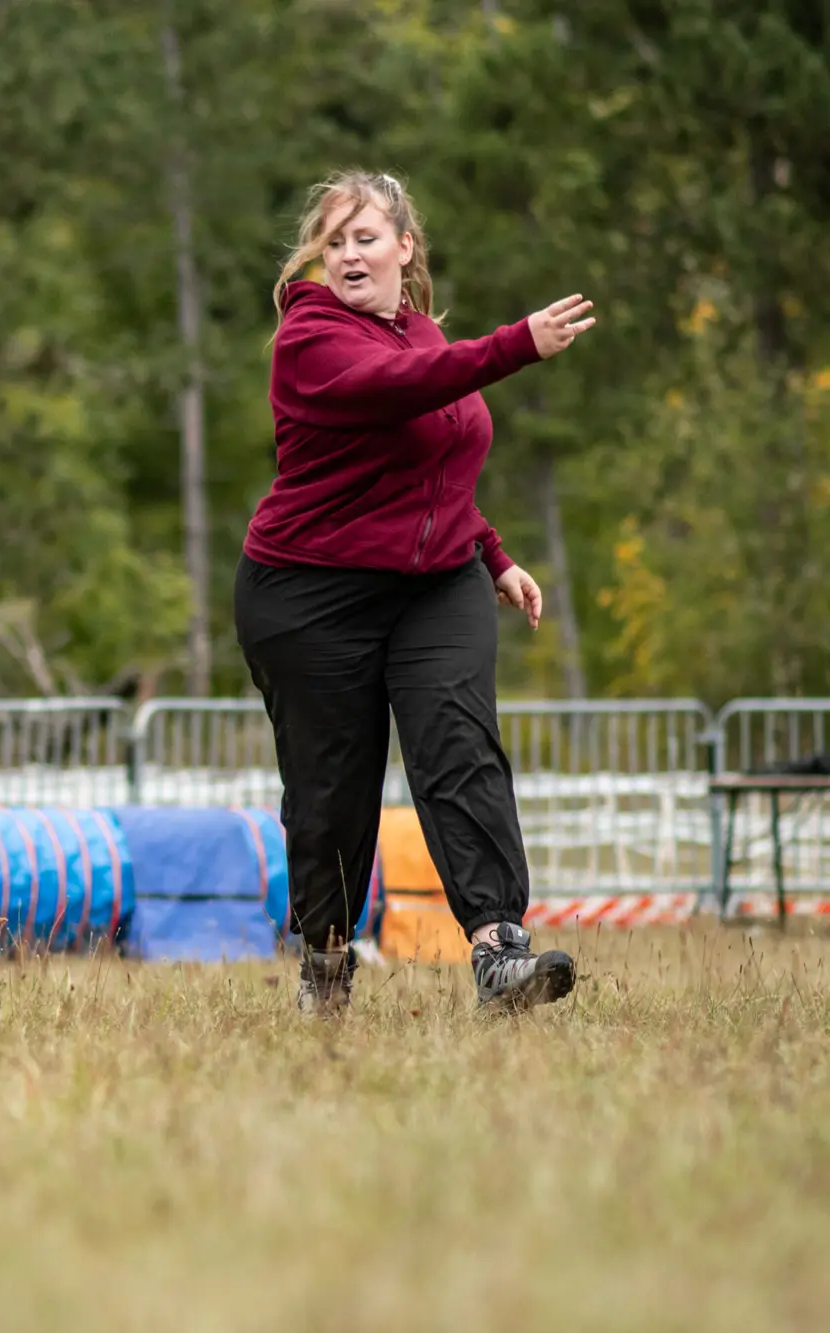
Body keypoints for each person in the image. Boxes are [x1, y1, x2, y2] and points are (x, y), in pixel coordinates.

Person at [233, 169, 595, 1016]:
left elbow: (442, 455)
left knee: (459, 747)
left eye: (367, 237)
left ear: (405, 247)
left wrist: (494, 553)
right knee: (331, 794)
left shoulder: (424, 335)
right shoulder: (309, 338)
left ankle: (500, 955)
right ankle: (326, 965)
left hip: (435, 586)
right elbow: (390, 396)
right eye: (336, 241)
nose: (350, 254)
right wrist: (514, 345)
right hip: (309, 594)